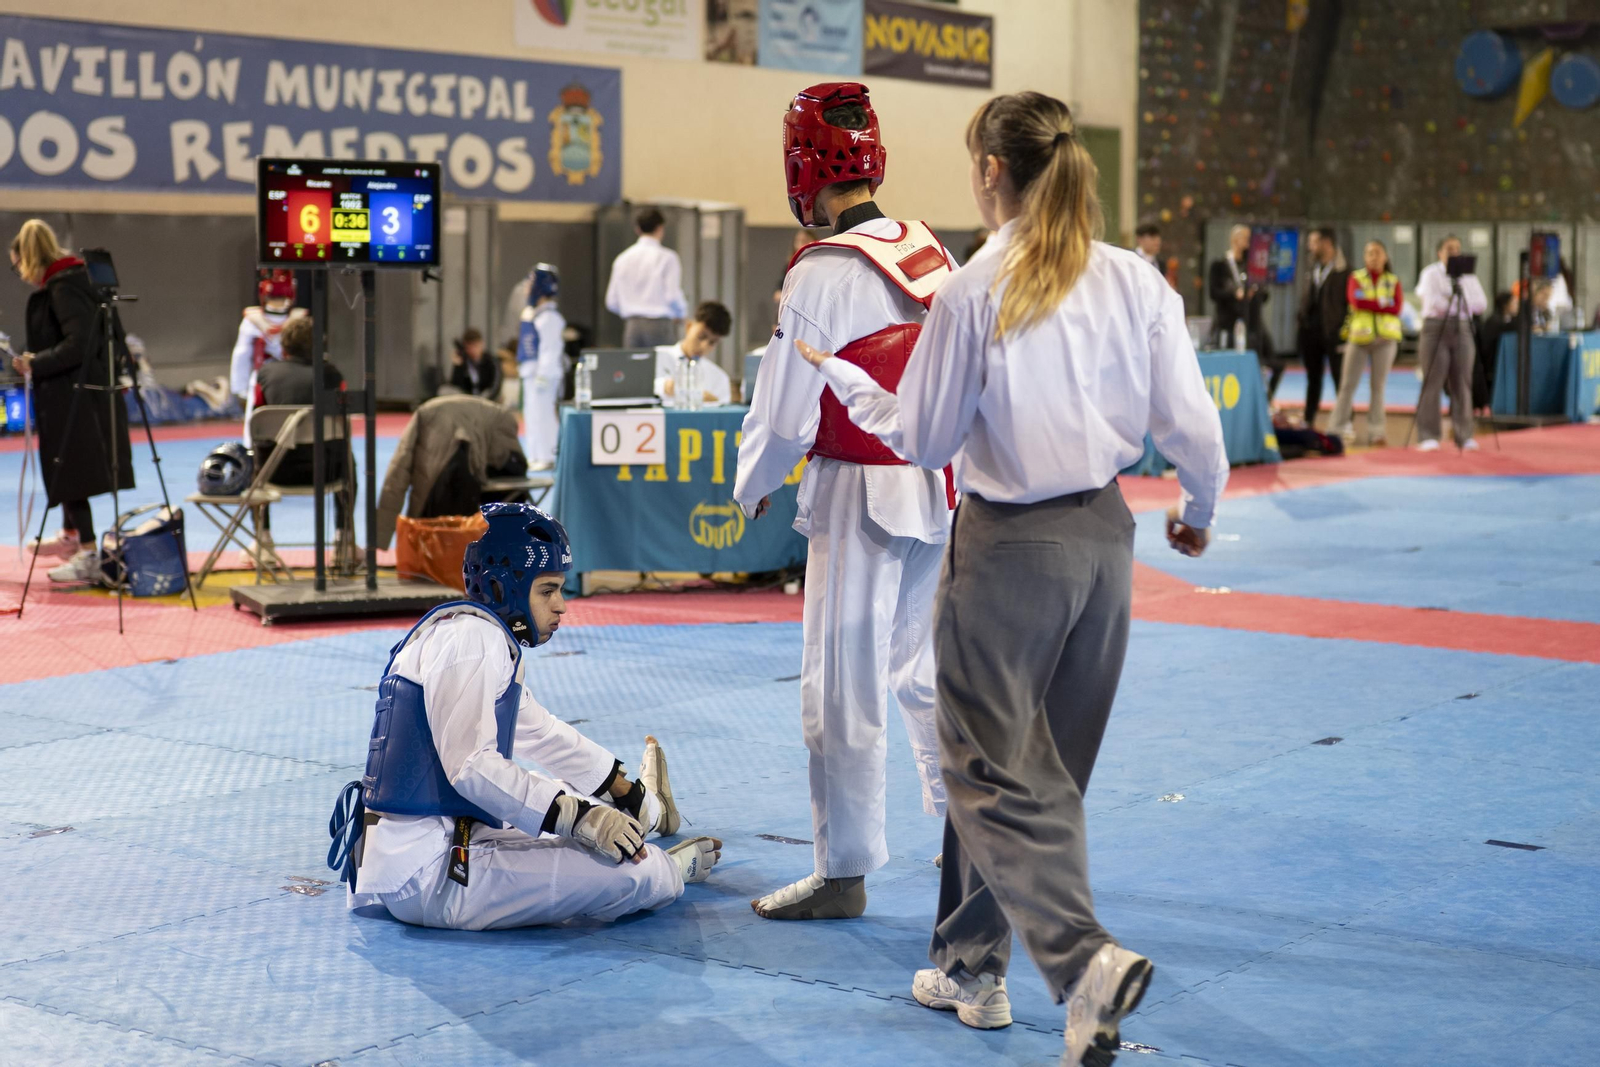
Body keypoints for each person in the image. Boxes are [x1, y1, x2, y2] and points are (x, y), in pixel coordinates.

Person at [793, 90, 1228, 1064]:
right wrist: (1196, 515)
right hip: (1106, 545)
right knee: (1044, 777)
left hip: (1007, 549)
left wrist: (853, 381)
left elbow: (928, 436)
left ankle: (1081, 963)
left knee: (985, 774)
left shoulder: (974, 288)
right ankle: (967, 961)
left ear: (990, 170)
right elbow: (1196, 430)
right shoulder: (1133, 278)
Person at [734, 81, 953, 922]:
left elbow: (785, 409)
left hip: (860, 495)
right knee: (928, 670)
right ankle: (973, 836)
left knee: (841, 684)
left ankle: (844, 872)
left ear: (802, 167)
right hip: (941, 483)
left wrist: (753, 483)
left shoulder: (821, 272)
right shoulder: (930, 246)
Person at [327, 503, 723, 929]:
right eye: (548, 590)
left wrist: (620, 789)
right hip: (434, 873)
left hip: (433, 845)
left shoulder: (476, 635)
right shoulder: (473, 640)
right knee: (638, 869)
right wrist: (580, 817)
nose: (562, 606)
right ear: (506, 587)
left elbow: (542, 732)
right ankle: (672, 868)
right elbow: (471, 767)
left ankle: (650, 810)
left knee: (576, 801)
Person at [9, 218, 135, 584]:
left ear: (28, 259)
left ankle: (88, 551)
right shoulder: (81, 281)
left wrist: (36, 361)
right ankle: (71, 537)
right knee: (66, 468)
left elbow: (79, 344)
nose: (19, 274)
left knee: (72, 468)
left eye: (16, 266)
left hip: (75, 394)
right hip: (77, 391)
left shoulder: (63, 288)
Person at [374, 395, 528, 550]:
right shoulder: (501, 417)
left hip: (432, 493)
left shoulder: (425, 414)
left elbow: (396, 476)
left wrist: (379, 542)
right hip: (463, 493)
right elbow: (509, 464)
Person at [252, 315, 351, 551]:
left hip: (273, 472)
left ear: (284, 346)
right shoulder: (333, 375)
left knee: (252, 455)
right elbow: (342, 421)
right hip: (327, 471)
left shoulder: (266, 374)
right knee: (349, 459)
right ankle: (344, 536)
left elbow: (257, 421)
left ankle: (262, 538)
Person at [1414, 235, 1488, 452]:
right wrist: (1460, 302)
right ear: (1440, 252)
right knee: (1432, 382)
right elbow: (1434, 304)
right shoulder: (1430, 273)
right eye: (1449, 248)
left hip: (1463, 329)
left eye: (1457, 248)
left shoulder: (1468, 276)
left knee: (1463, 383)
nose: (1454, 252)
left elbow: (1480, 304)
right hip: (1435, 329)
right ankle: (1428, 434)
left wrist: (1454, 300)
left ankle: (1464, 435)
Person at [1329, 240, 1402, 446]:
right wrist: (1381, 303)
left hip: (1386, 341)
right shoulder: (1356, 278)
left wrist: (1372, 304)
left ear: (1385, 256)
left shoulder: (1392, 280)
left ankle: (1376, 432)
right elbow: (1356, 301)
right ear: (1364, 257)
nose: (1374, 257)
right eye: (1369, 253)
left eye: (1378, 252)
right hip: (1358, 339)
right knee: (1347, 386)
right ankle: (1335, 429)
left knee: (1378, 387)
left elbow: (1396, 307)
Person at [1209, 224, 1281, 394]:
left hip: (1254, 323)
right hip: (1228, 323)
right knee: (1232, 365)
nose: (1250, 243)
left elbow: (1265, 296)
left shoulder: (1254, 266)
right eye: (1247, 239)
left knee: (1274, 363)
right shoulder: (1219, 265)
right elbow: (1213, 293)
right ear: (1235, 240)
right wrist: (1234, 293)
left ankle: (1265, 400)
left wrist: (1256, 291)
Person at [605, 206, 687, 349]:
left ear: (637, 229)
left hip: (632, 327)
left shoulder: (622, 259)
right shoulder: (667, 258)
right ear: (660, 228)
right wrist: (681, 313)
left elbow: (611, 301)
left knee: (634, 370)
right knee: (663, 369)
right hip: (659, 325)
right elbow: (672, 296)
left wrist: (633, 311)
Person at [229, 270, 306, 413]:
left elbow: (242, 355)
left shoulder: (251, 321)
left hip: (262, 378)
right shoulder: (301, 321)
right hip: (295, 377)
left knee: (258, 420)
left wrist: (240, 388)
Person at [1296, 227, 1350, 426]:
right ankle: (1309, 418)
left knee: (1340, 379)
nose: (1310, 246)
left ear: (1327, 243)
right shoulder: (1312, 269)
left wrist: (1343, 331)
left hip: (1334, 333)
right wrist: (1301, 322)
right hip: (1311, 332)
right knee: (1313, 378)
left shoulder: (1345, 272)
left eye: (1314, 242)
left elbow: (1348, 304)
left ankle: (1345, 421)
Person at [517, 264, 563, 471]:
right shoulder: (533, 315)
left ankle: (548, 454)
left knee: (543, 414)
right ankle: (535, 453)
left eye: (530, 283)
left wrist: (543, 375)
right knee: (532, 415)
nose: (527, 288)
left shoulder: (550, 319)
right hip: (530, 373)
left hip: (543, 376)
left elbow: (550, 350)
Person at [655, 301, 733, 407]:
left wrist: (714, 404)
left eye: (712, 342)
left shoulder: (720, 378)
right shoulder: (656, 358)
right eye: (701, 336)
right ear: (688, 327)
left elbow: (723, 417)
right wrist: (664, 387)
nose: (704, 346)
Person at [1474, 290, 1518, 411]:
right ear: (1506, 305)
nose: (1516, 306)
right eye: (1514, 303)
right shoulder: (1494, 321)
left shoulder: (1507, 320)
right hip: (1492, 363)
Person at [446, 328, 503, 401]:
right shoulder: (464, 362)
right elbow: (455, 385)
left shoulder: (491, 361)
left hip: (486, 399)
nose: (473, 350)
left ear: (482, 344)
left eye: (475, 346)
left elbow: (496, 385)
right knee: (445, 390)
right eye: (469, 347)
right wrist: (458, 367)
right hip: (468, 399)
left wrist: (484, 399)